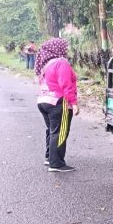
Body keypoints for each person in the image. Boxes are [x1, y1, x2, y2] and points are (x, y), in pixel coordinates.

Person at [35, 38, 79, 172]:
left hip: (43, 101)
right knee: (60, 132)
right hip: (58, 102)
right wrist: (74, 103)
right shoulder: (61, 63)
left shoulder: (46, 63)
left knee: (52, 130)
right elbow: (66, 85)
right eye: (65, 47)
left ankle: (49, 157)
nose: (67, 49)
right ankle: (57, 163)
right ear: (58, 49)